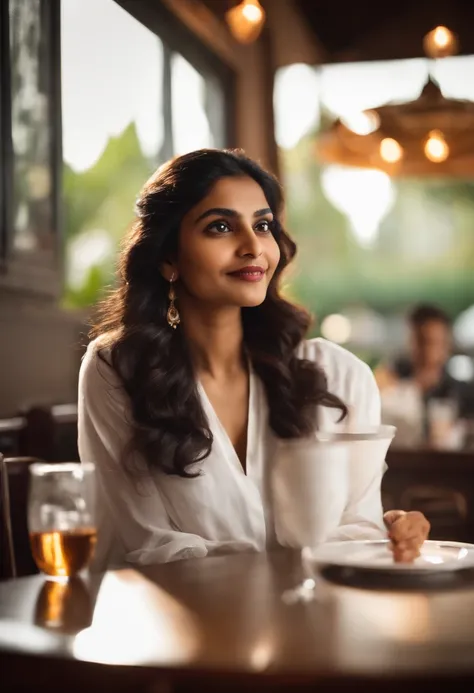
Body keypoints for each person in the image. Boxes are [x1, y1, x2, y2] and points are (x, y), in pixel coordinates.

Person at [78, 148, 429, 570]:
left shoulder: (339, 377)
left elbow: (357, 529)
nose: (252, 246)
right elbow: (150, 548)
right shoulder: (117, 368)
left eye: (262, 225)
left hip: (320, 624)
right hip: (183, 626)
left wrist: (388, 532)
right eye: (221, 227)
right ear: (168, 257)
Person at [376, 304, 474, 444]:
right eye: (422, 341)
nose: (428, 351)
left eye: (434, 342)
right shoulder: (392, 383)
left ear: (447, 344)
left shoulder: (462, 394)